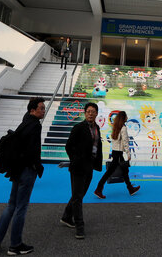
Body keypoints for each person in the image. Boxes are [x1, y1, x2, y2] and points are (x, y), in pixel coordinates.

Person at [0, 97, 45, 256]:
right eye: (41, 108)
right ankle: (15, 245)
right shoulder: (34, 125)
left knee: (11, 205)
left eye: (43, 108)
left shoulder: (23, 123)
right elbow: (32, 151)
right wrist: (36, 166)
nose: (43, 110)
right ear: (32, 110)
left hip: (16, 170)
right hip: (26, 171)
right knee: (21, 207)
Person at [61, 102, 102, 239]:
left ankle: (67, 216)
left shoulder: (97, 128)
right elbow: (68, 146)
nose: (90, 113)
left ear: (96, 114)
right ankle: (80, 226)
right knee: (78, 197)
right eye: (88, 111)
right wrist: (75, 159)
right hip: (78, 167)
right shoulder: (78, 127)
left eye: (93, 111)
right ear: (85, 113)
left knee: (80, 194)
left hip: (89, 166)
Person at [94, 111, 141, 198]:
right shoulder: (123, 128)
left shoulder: (116, 127)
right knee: (110, 172)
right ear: (123, 118)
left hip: (115, 152)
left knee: (124, 171)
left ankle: (130, 189)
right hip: (119, 154)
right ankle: (98, 189)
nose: (127, 117)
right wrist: (128, 153)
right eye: (126, 116)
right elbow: (125, 141)